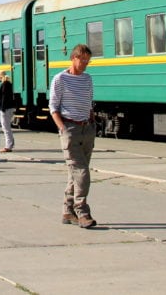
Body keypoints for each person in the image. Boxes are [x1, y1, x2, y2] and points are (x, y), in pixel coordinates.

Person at [50, 44, 97, 229]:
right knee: (82, 173)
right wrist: (63, 129)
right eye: (82, 60)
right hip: (70, 128)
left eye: (87, 61)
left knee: (74, 173)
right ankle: (82, 211)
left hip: (86, 129)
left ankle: (67, 211)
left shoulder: (87, 79)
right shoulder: (60, 79)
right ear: (73, 58)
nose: (85, 64)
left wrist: (92, 122)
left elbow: (89, 102)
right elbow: (53, 107)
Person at [0, 71, 16, 152]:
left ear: (0, 76)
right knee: (7, 127)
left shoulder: (4, 84)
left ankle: (8, 146)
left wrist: (2, 109)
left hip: (5, 109)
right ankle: (10, 144)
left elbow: (4, 98)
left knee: (6, 128)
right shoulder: (8, 84)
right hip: (9, 108)